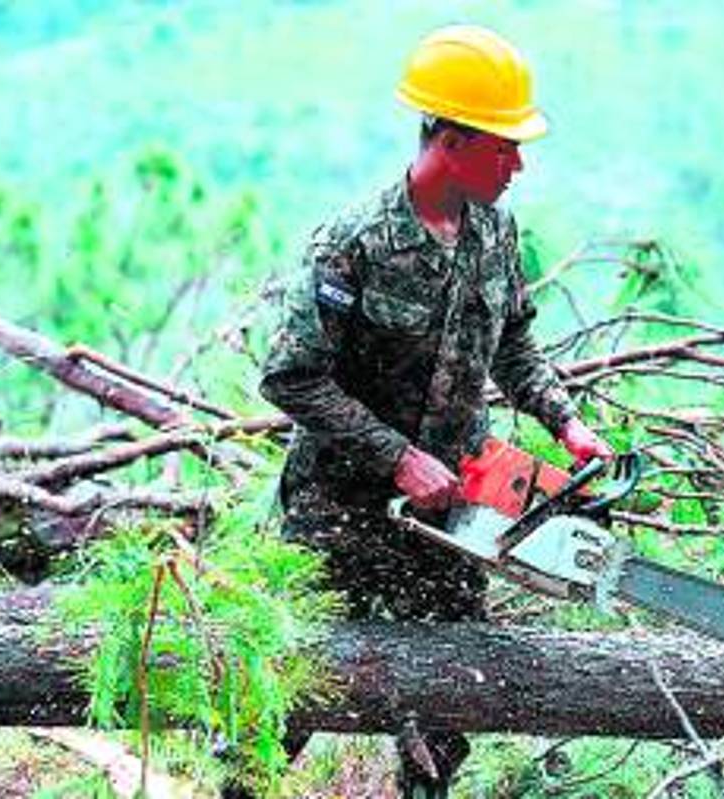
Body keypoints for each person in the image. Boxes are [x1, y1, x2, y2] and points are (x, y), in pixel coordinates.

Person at [259, 23, 612, 798]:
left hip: (454, 514)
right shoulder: (352, 244)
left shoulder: (495, 231)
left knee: (450, 700)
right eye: (503, 146)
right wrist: (396, 456)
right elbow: (289, 377)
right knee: (285, 699)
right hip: (339, 511)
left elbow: (514, 341)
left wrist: (564, 421)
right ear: (450, 140)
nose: (518, 164)